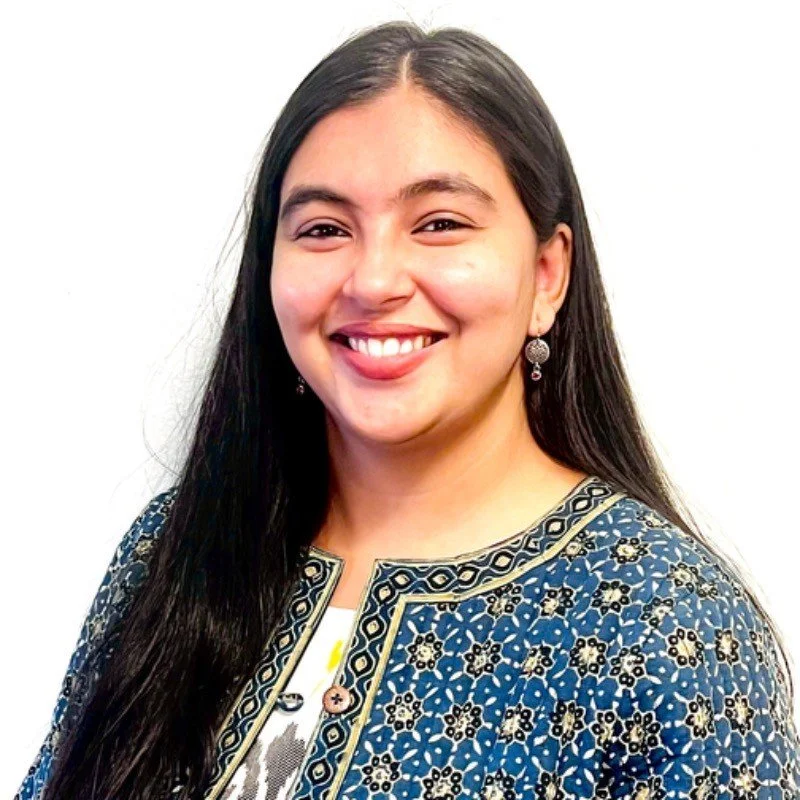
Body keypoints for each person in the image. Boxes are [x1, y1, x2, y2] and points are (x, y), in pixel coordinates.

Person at [16, 19, 800, 800]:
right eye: (323, 229)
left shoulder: (675, 629)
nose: (374, 279)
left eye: (439, 224)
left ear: (548, 275)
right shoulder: (173, 552)